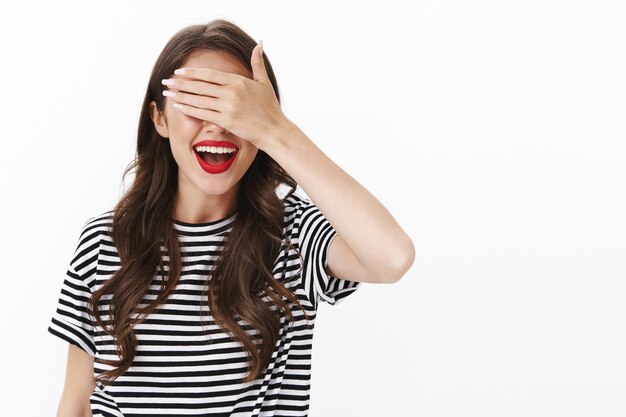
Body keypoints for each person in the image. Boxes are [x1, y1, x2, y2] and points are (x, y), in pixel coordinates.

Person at [47, 19, 415, 417]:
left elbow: (391, 257)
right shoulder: (104, 240)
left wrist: (276, 131)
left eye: (236, 107)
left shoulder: (292, 237)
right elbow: (76, 402)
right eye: (197, 102)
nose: (218, 124)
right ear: (159, 118)